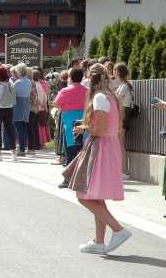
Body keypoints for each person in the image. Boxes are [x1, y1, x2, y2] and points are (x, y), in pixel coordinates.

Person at [68, 63, 131, 254]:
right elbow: (112, 127)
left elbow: (100, 129)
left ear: (91, 79)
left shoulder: (100, 98)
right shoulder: (110, 97)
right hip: (108, 146)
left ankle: (118, 230)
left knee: (84, 196)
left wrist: (83, 128)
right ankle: (99, 241)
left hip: (101, 147)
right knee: (96, 196)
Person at [54, 68, 88, 188]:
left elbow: (56, 103)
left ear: (71, 78)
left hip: (70, 123)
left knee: (71, 153)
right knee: (84, 152)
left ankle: (68, 179)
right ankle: (84, 179)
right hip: (84, 122)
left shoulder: (65, 91)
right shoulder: (87, 90)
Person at [112, 63, 133, 179]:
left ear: (118, 72)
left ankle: (123, 171)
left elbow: (117, 100)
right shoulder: (125, 85)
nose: (113, 73)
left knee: (121, 143)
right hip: (124, 113)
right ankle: (121, 170)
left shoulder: (123, 86)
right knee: (120, 142)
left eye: (115, 70)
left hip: (123, 114)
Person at [13, 63, 32, 156]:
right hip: (26, 106)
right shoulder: (29, 81)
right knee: (24, 129)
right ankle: (23, 147)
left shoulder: (17, 82)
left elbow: (13, 95)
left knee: (19, 129)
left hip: (18, 106)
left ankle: (21, 149)